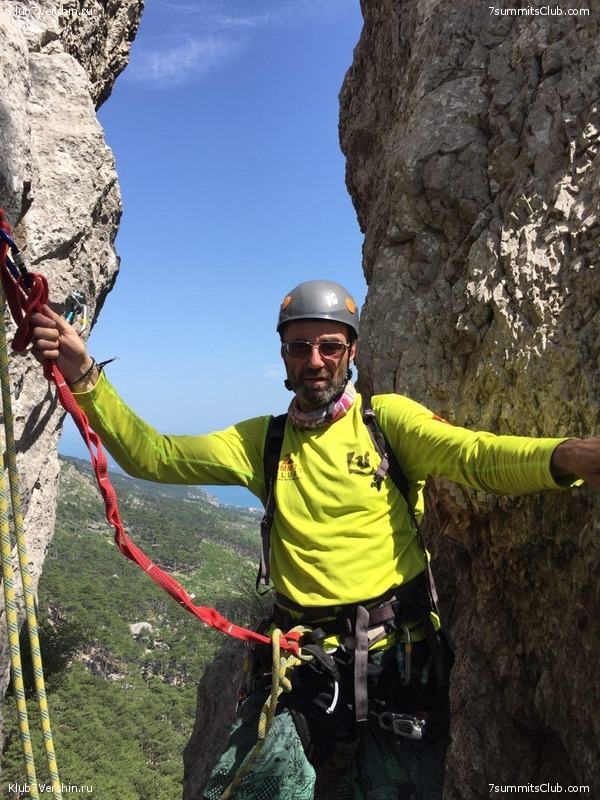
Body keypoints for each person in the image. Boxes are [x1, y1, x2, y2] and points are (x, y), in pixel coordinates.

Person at [30, 280, 600, 800]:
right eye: (299, 347)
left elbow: (475, 455)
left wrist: (568, 455)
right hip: (304, 665)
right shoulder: (263, 442)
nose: (315, 360)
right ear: (283, 354)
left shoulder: (386, 423)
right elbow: (154, 455)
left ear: (351, 352)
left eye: (330, 346)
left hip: (399, 664)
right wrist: (85, 376)